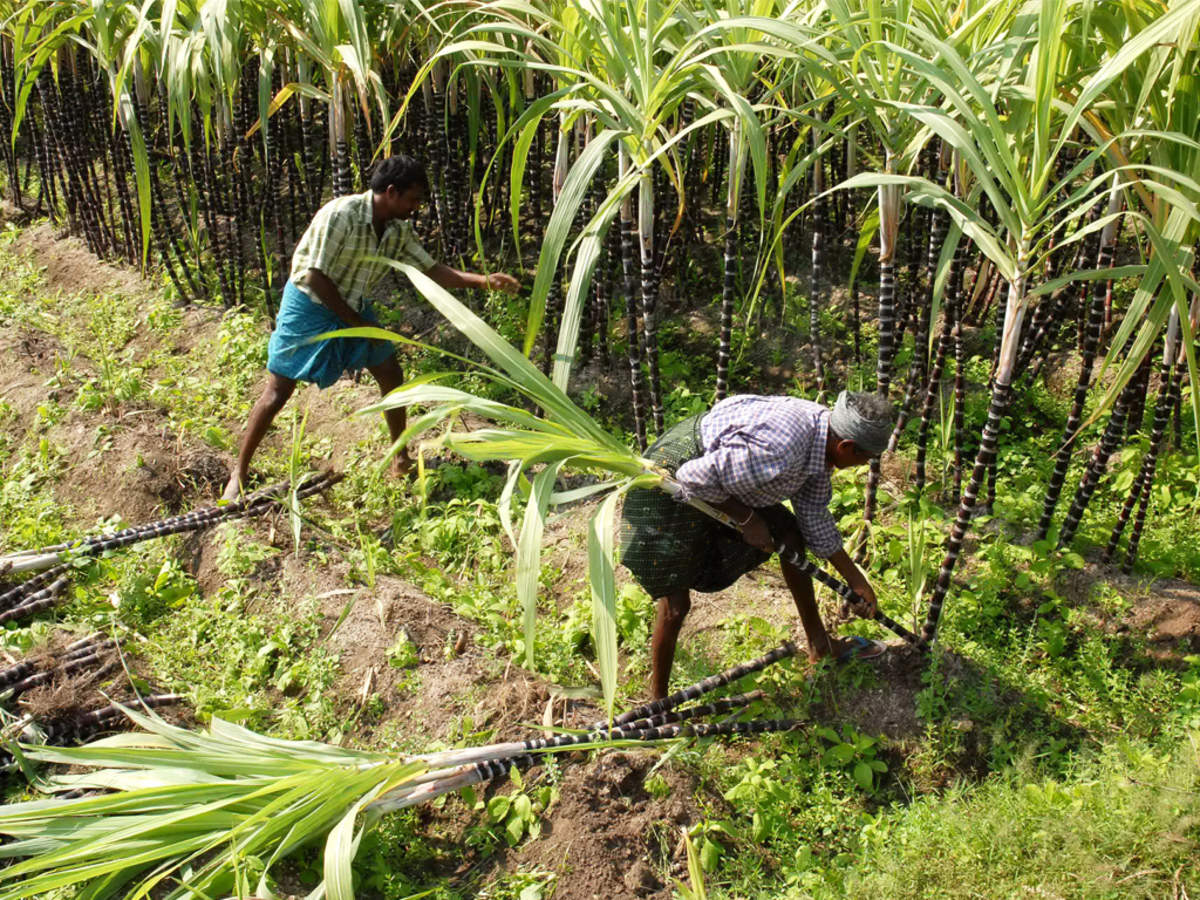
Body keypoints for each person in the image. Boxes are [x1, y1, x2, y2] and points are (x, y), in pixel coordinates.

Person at [222, 155, 520, 501]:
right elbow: (316, 277)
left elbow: (431, 269)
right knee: (278, 390)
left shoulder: (397, 229)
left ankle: (400, 458)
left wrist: (483, 281)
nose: (416, 206)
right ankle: (239, 472)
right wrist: (356, 322)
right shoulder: (340, 215)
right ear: (391, 192)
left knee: (390, 371)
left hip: (352, 305)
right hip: (310, 305)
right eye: (413, 198)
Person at [619, 390, 895, 699]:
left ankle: (821, 647)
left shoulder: (823, 441)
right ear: (846, 446)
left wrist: (855, 579)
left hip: (721, 478)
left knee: (790, 535)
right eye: (864, 459)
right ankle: (658, 702)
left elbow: (813, 516)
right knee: (676, 606)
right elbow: (692, 478)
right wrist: (748, 519)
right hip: (671, 482)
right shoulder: (782, 449)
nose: (863, 466)